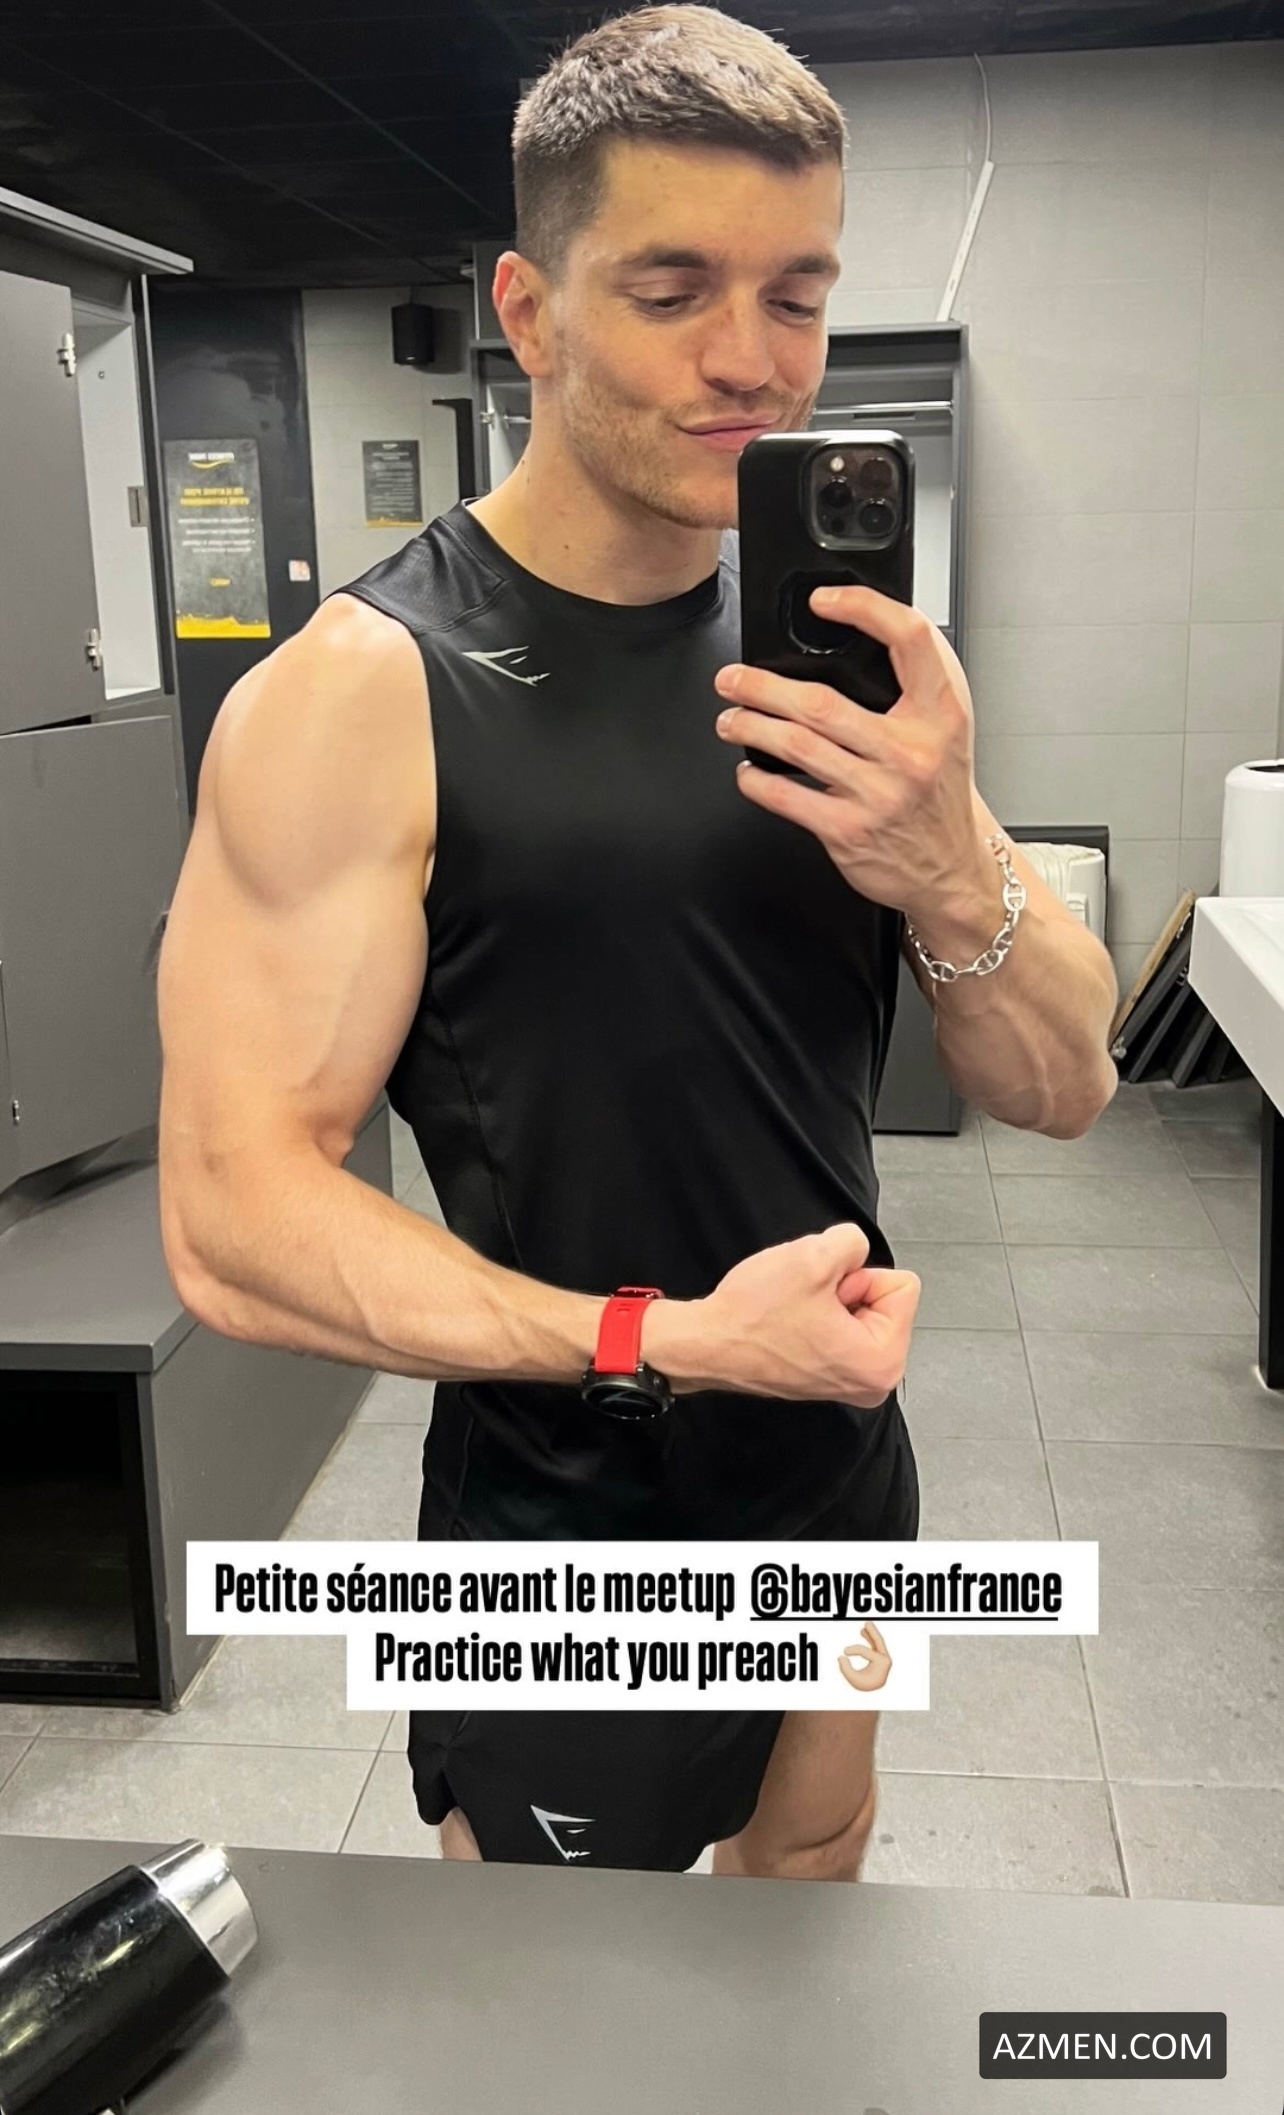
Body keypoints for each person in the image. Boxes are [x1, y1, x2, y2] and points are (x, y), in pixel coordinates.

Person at [157, 3, 1118, 1881]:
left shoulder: (839, 665)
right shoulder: (361, 693)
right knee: (570, 1999)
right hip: (566, 1513)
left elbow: (1067, 1083)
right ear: (527, 311)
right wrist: (666, 1342)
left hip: (833, 1460)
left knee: (814, 1869)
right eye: (673, 292)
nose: (750, 358)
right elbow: (231, 1217)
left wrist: (947, 863)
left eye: (797, 295)